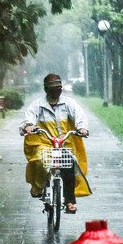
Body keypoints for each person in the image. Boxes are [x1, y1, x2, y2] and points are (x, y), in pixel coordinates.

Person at [20, 73, 91, 213]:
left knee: (69, 166)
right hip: (43, 144)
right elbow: (29, 118)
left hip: (65, 143)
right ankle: (39, 186)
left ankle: (69, 201)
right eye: (52, 90)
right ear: (46, 90)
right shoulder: (38, 105)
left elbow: (79, 116)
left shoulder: (69, 103)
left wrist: (82, 128)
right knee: (41, 161)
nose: (55, 92)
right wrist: (28, 126)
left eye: (58, 89)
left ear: (61, 89)